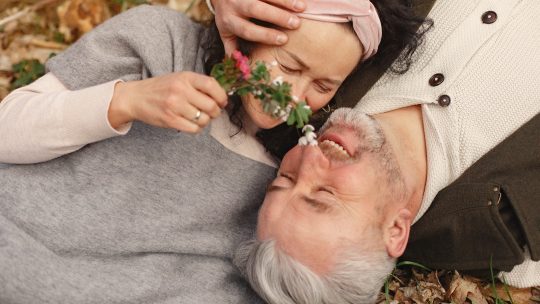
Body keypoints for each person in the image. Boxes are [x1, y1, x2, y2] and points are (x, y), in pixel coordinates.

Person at [0, 1, 427, 303]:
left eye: (322, 86)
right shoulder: (160, 45)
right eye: (290, 66)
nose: (293, 94)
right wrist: (126, 102)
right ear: (246, 31)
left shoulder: (291, 177)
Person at [217, 0, 540, 302]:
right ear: (395, 230)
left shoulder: (301, 88)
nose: (309, 156)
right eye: (325, 194)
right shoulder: (511, 232)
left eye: (284, 179)